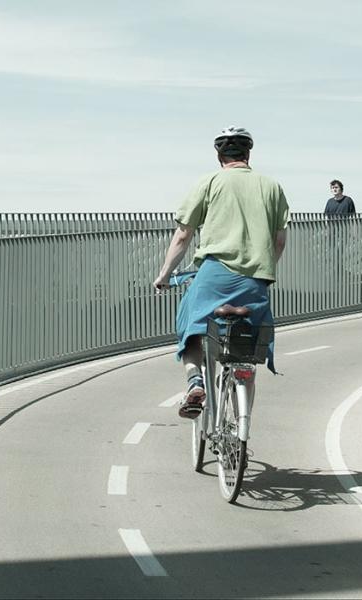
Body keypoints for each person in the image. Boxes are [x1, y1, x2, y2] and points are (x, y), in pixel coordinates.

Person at [152, 126, 290, 419]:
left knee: (190, 327)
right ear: (248, 153)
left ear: (219, 156)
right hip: (256, 280)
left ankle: (195, 381)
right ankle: (242, 429)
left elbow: (183, 235)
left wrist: (164, 275)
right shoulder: (272, 187)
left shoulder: (210, 182)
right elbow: (279, 241)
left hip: (214, 274)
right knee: (246, 353)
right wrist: (263, 267)